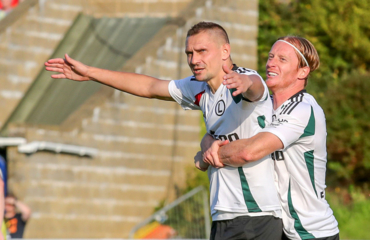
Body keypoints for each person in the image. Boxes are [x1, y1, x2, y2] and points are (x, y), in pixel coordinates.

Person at [44, 21, 282, 240]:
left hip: (256, 214)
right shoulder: (198, 88)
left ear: (224, 52)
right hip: (223, 214)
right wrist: (90, 73)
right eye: (189, 53)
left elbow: (256, 88)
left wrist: (246, 84)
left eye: (202, 51)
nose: (194, 59)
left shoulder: (243, 80)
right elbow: (149, 86)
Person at [200, 36, 340, 240]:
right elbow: (216, 131)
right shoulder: (262, 105)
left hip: (311, 232)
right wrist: (209, 144)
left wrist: (210, 154)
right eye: (271, 56)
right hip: (277, 229)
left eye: (282, 59)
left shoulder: (302, 109)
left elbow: (249, 151)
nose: (270, 63)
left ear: (303, 71)